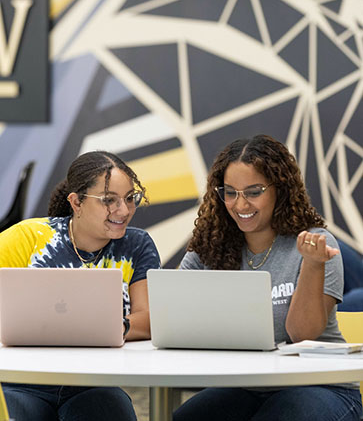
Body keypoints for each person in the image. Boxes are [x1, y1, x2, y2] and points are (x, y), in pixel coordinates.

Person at [173, 135, 362, 421]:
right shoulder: (208, 248)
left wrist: (312, 265)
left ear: (280, 190)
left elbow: (303, 334)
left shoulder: (316, 244)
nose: (240, 204)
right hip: (248, 387)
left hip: (320, 385)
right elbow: (174, 318)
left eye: (253, 191)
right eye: (230, 192)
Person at [0, 150, 160, 421]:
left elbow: (150, 319)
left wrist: (112, 328)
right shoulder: (26, 237)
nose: (123, 211)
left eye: (130, 198)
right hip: (22, 381)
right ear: (76, 202)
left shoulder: (137, 245)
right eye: (109, 200)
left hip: (94, 383)